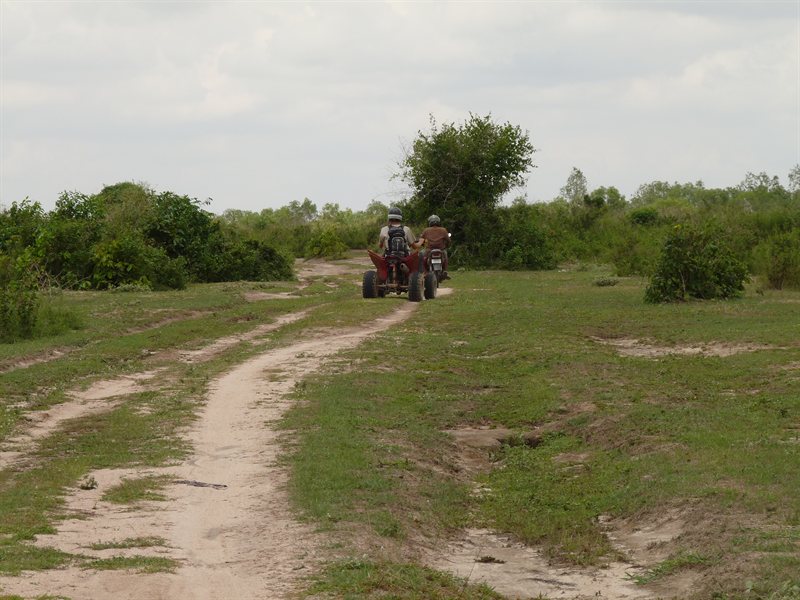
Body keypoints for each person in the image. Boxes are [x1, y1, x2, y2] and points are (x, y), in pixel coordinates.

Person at [418, 214, 450, 279]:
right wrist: (446, 245)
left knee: (421, 255)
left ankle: (424, 271)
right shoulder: (443, 230)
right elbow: (448, 240)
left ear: (430, 222)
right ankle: (445, 271)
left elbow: (421, 240)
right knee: (445, 256)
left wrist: (422, 244)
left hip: (429, 250)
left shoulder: (426, 230)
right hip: (441, 249)